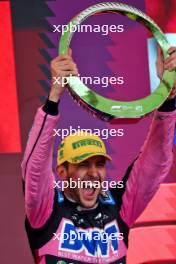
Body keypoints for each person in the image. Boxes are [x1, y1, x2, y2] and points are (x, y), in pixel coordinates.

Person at [22, 47, 176, 264]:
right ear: (62, 171)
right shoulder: (46, 211)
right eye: (82, 164)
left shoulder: (119, 206)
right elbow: (34, 169)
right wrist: (54, 96)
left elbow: (155, 162)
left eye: (99, 164)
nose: (93, 173)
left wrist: (169, 98)